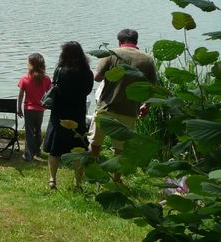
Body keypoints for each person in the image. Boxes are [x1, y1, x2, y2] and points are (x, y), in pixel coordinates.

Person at [89, 29, 158, 168]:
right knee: (120, 149)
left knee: (95, 143)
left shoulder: (111, 54)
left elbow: (98, 77)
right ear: (136, 42)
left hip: (106, 108)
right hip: (130, 110)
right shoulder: (148, 59)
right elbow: (153, 87)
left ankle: (89, 170)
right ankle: (117, 178)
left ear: (119, 42)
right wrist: (146, 106)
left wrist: (89, 71)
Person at [42, 41, 93, 190]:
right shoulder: (87, 72)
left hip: (59, 113)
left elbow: (55, 87)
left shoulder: (60, 70)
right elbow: (88, 91)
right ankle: (77, 182)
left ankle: (52, 179)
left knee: (55, 150)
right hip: (78, 114)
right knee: (79, 150)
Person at [17, 53, 51, 162]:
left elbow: (21, 95)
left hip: (29, 109)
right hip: (40, 109)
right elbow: (50, 94)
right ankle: (38, 151)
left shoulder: (25, 78)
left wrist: (19, 108)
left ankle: (28, 155)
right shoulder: (46, 79)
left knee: (29, 132)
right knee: (38, 131)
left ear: (31, 65)